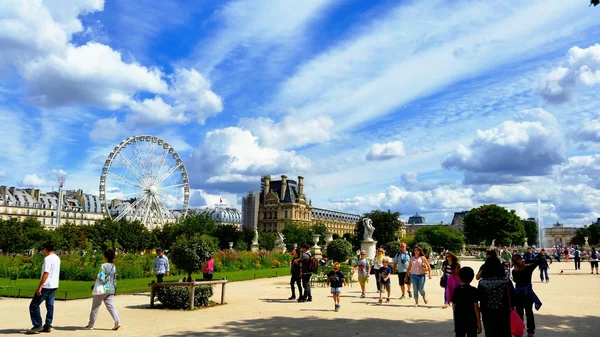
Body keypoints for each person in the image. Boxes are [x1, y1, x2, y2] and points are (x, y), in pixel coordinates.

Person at [27, 241, 61, 334]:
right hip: (54, 285)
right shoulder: (57, 258)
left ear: (46, 249)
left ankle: (37, 325)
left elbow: (46, 273)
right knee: (50, 305)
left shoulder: (48, 259)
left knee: (34, 305)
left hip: (47, 285)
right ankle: (48, 325)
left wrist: (40, 286)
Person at [477, 253, 515, 337]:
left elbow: (479, 298)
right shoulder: (507, 282)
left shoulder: (482, 283)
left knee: (490, 333)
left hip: (488, 313)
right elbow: (513, 297)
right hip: (503, 312)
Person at [83, 250, 121, 331]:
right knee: (111, 307)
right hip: (110, 288)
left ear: (106, 257)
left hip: (103, 288)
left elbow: (102, 276)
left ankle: (91, 325)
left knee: (95, 307)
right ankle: (117, 322)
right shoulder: (113, 266)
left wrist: (96, 277)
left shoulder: (103, 265)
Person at [512, 254, 543, 337]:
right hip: (526, 293)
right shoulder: (527, 269)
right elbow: (538, 261)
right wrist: (527, 262)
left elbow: (515, 281)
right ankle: (530, 331)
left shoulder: (515, 271)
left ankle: (521, 330)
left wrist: (524, 263)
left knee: (522, 313)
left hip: (519, 294)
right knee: (527, 313)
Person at [452, 267, 481, 337]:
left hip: (460, 319)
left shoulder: (456, 290)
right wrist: (479, 323)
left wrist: (455, 320)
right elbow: (476, 308)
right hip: (471, 320)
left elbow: (454, 306)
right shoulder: (473, 290)